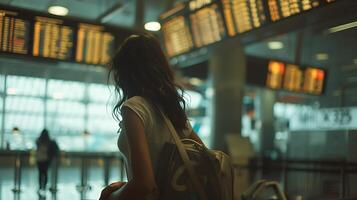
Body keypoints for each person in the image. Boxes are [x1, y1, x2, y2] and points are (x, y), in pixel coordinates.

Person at [100, 33, 203, 200]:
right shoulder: (172, 110)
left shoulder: (134, 108)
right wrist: (127, 187)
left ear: (126, 71)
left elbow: (145, 185)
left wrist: (110, 196)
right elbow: (204, 159)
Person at [36, 129, 59, 193]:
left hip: (39, 159)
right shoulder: (49, 142)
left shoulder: (38, 141)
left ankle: (41, 186)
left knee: (41, 173)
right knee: (45, 173)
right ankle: (44, 186)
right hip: (46, 159)